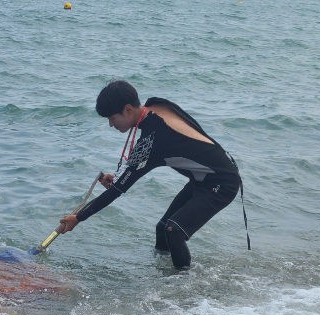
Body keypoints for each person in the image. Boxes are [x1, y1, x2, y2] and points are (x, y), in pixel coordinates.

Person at [59, 80, 245, 270]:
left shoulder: (153, 140)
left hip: (222, 183)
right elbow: (148, 154)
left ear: (128, 109)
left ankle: (184, 285)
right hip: (204, 178)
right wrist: (120, 176)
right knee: (162, 229)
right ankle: (162, 275)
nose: (110, 124)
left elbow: (117, 190)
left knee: (174, 231)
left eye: (112, 118)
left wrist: (79, 218)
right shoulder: (156, 106)